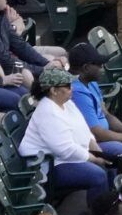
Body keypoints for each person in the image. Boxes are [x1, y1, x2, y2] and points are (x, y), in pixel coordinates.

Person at [18, 66, 114, 198]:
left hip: (68, 156)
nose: (72, 88)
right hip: (48, 166)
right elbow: (65, 149)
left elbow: (83, 128)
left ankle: (112, 201)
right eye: (68, 86)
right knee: (98, 176)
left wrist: (96, 148)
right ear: (54, 90)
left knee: (114, 153)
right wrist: (94, 158)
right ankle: (99, 214)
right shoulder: (48, 112)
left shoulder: (66, 102)